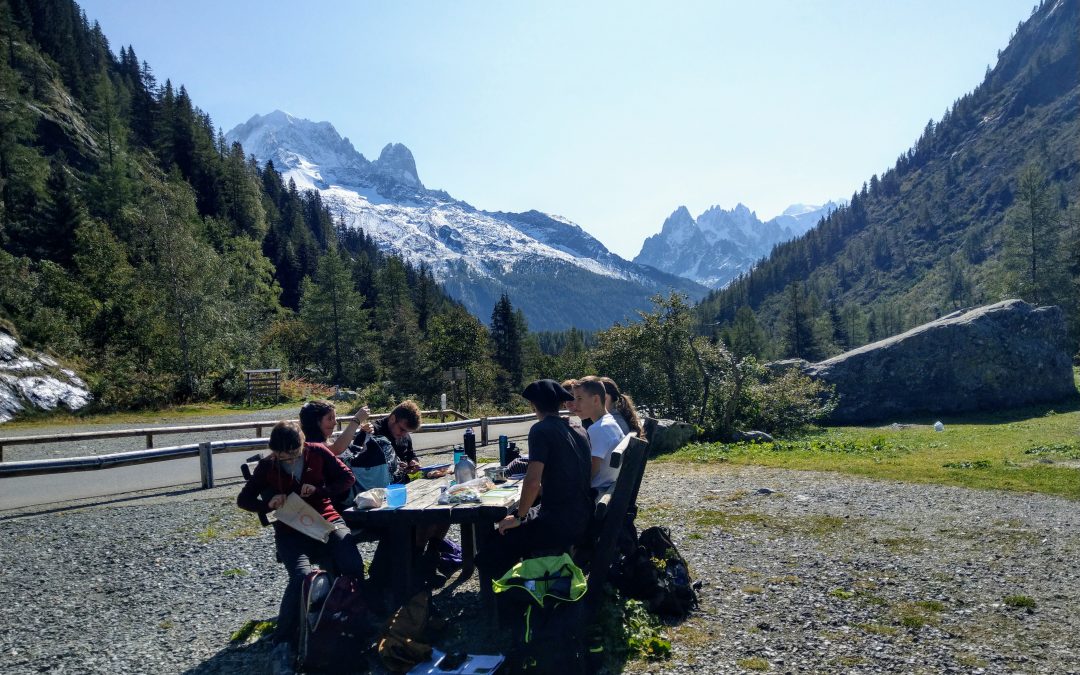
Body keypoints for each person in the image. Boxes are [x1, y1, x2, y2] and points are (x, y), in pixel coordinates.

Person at [236, 420, 366, 650]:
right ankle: (283, 640)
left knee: (352, 562)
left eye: (294, 455)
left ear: (302, 444)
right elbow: (243, 500)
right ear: (273, 451)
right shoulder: (267, 466)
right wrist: (268, 504)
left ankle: (354, 615)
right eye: (282, 457)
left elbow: (347, 478)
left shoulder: (317, 452)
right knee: (301, 577)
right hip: (290, 528)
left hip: (325, 517)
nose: (289, 460)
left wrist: (321, 491)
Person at [477, 379, 593, 581]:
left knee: (492, 548)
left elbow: (532, 481)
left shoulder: (541, 430)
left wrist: (520, 517)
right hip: (581, 515)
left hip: (558, 523)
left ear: (533, 405)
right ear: (559, 403)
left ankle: (510, 602)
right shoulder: (579, 430)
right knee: (508, 521)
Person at [573, 376, 626, 490]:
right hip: (607, 488)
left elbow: (590, 473)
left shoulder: (599, 429)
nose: (574, 405)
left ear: (596, 399)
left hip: (595, 494)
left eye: (579, 398)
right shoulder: (610, 422)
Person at [298, 399, 370, 455]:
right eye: (330, 418)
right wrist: (356, 421)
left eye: (335, 418)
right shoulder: (310, 447)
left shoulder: (330, 441)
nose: (335, 423)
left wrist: (363, 432)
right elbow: (336, 449)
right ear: (315, 422)